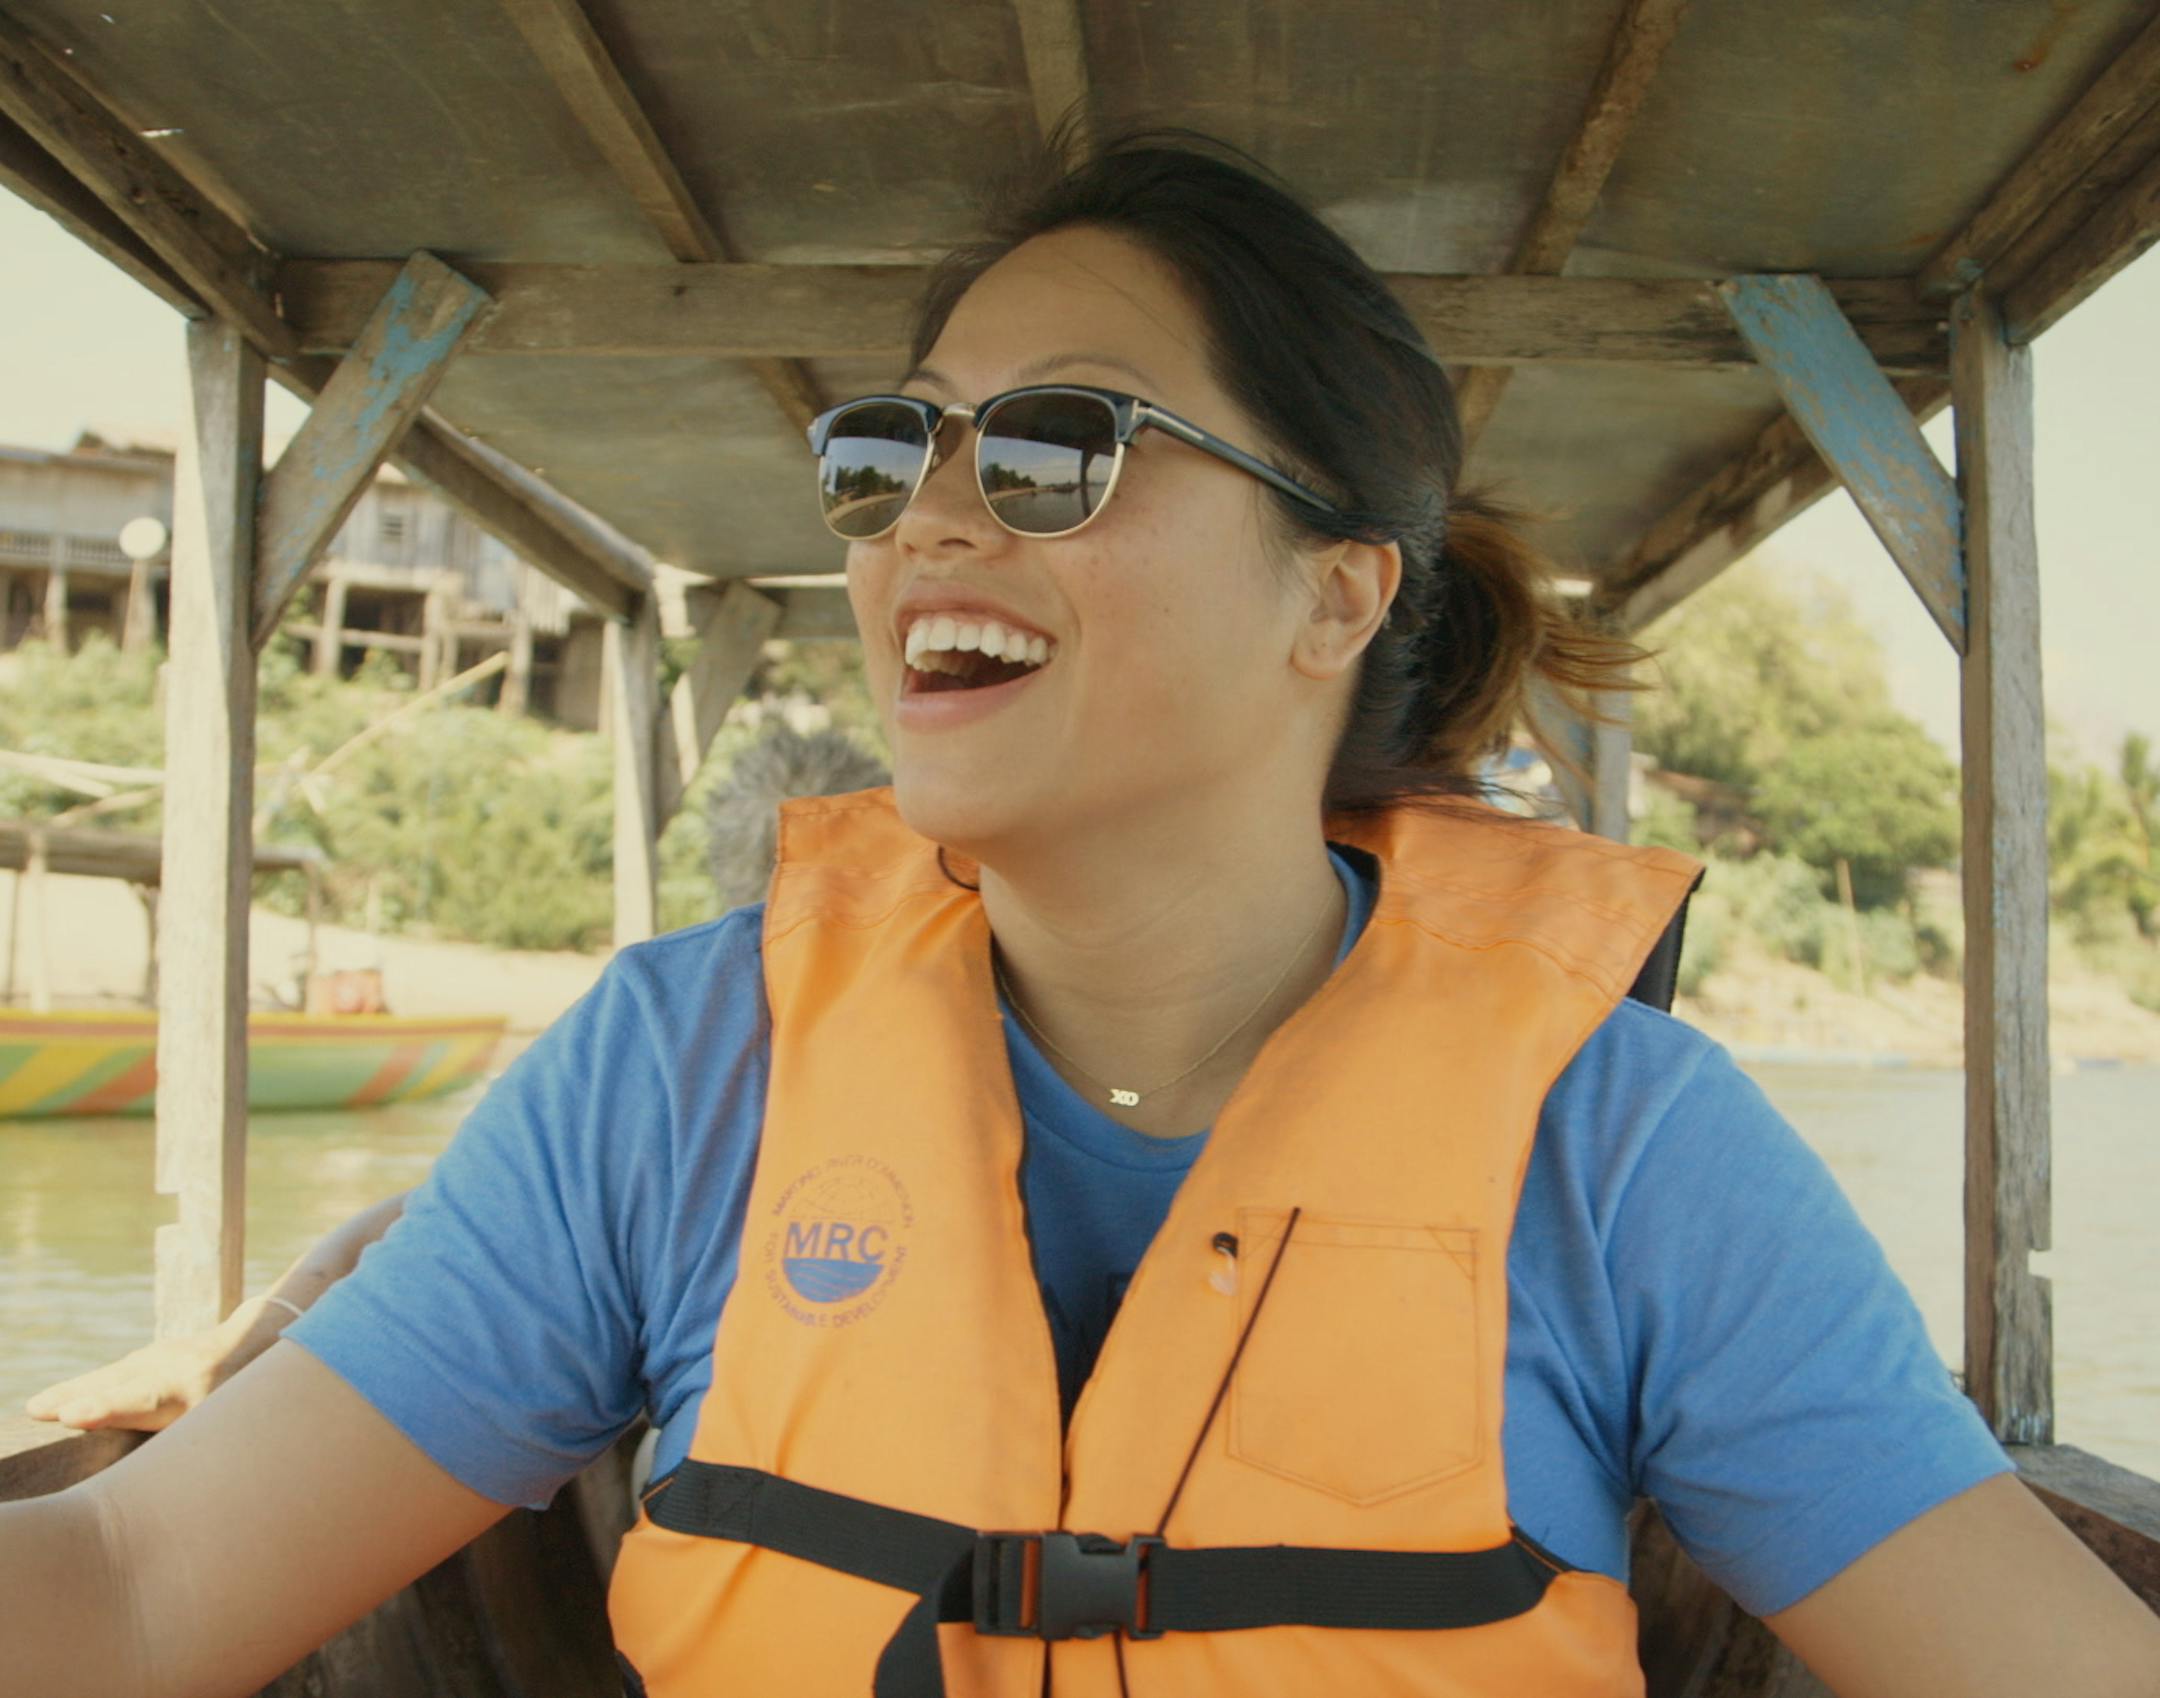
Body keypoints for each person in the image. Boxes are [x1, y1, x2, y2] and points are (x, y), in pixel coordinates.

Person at [6, 132, 2157, 1698]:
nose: (928, 512)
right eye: (888, 454)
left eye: (1055, 450)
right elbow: (126, 1588)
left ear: (1336, 590)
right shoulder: (679, 1080)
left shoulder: (1629, 1160)